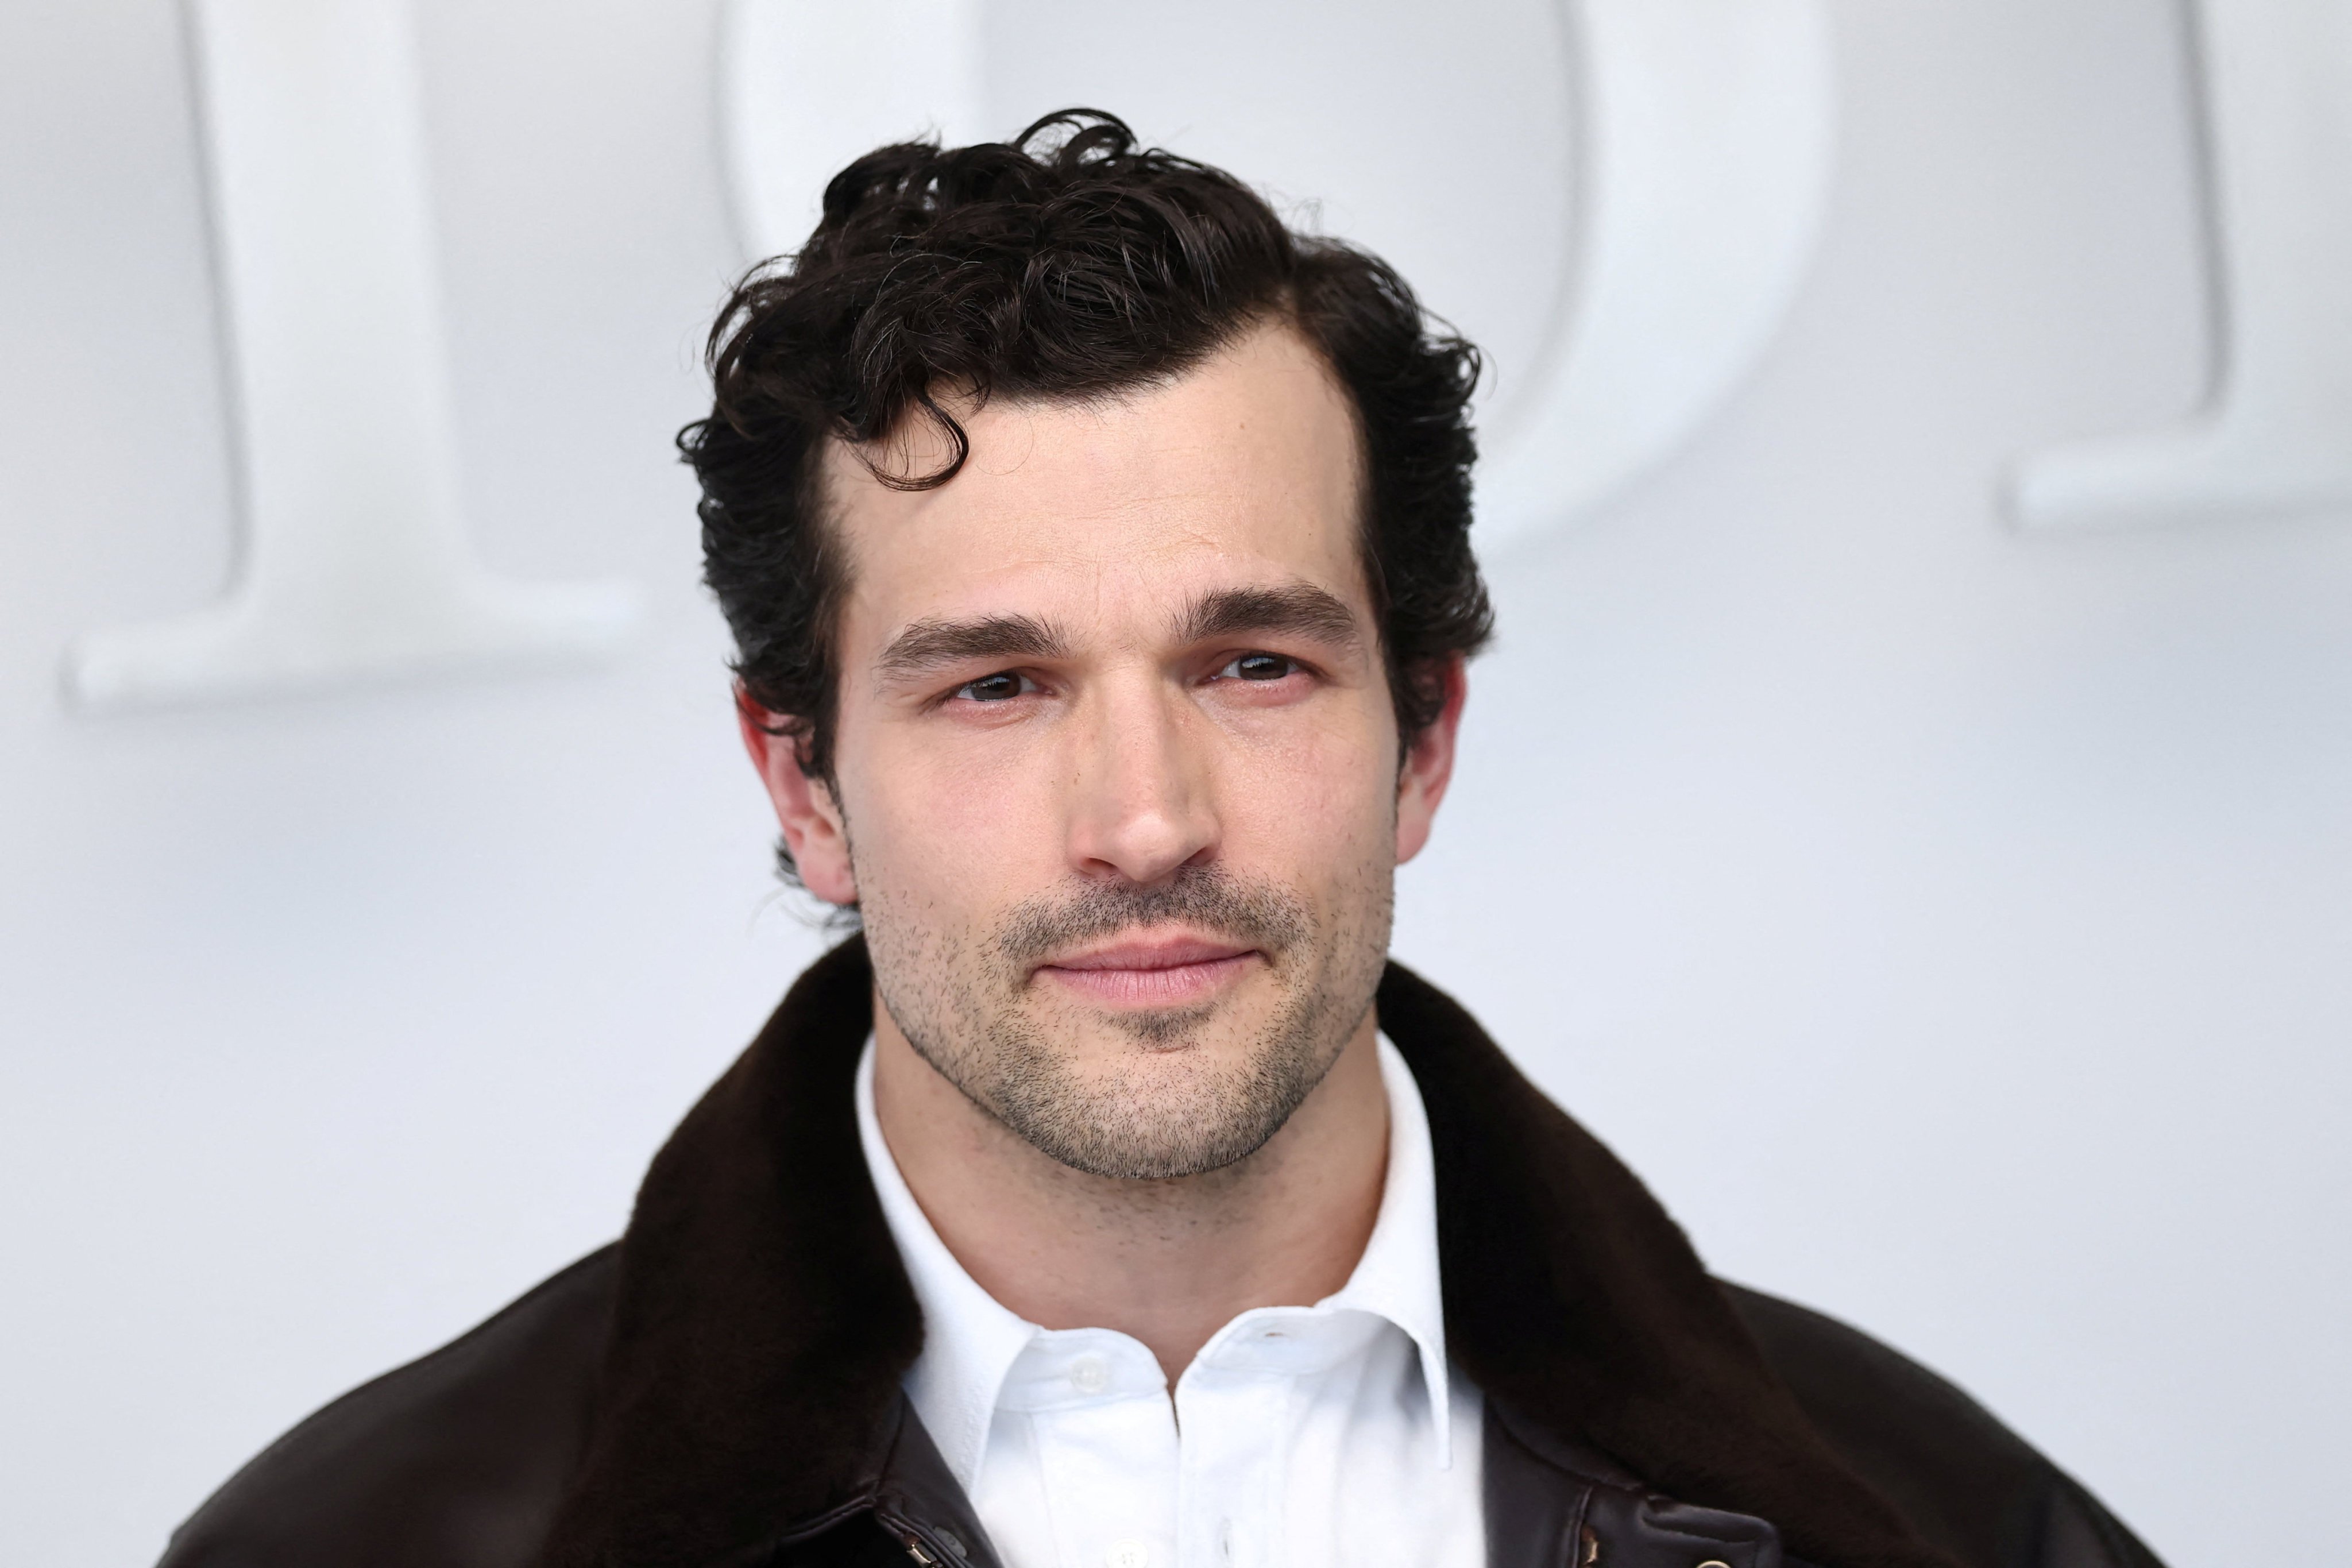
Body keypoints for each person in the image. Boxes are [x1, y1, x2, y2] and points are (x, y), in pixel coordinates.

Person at [158, 111, 2164, 1568]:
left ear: (1425, 737)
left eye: (1253, 664)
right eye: (996, 685)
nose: (1144, 819)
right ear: (802, 784)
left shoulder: (1944, 1521)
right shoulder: (356, 1549)